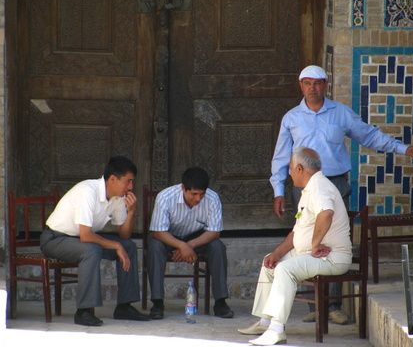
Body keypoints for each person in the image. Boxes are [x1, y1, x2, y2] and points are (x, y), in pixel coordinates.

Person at [270, 65, 413, 324]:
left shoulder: (341, 113)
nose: (313, 88)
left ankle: (333, 305)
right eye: (307, 83)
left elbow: (370, 136)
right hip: (304, 189)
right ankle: (314, 303)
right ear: (301, 86)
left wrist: (403, 148)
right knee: (304, 240)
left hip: (336, 185)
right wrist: (278, 191)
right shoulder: (291, 118)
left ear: (326, 84)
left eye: (318, 83)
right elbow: (280, 157)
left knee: (333, 241)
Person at [238, 147, 352, 345]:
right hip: (309, 255)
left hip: (332, 257)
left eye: (290, 168)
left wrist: (315, 244)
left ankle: (276, 329)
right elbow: (296, 232)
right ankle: (265, 322)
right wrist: (276, 253)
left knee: (285, 269)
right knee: (270, 264)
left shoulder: (320, 187)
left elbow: (326, 214)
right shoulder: (308, 189)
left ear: (300, 168)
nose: (289, 173)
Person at [40, 156, 149, 326]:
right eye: (128, 182)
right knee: (92, 250)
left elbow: (124, 235)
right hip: (55, 239)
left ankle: (124, 307)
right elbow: (86, 235)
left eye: (132, 182)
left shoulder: (118, 198)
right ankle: (84, 311)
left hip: (80, 239)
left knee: (128, 246)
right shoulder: (87, 191)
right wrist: (116, 245)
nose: (131, 187)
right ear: (112, 179)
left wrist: (132, 212)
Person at [147, 167, 234, 319]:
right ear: (183, 188)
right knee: (154, 245)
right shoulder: (165, 197)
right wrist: (181, 246)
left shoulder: (213, 199)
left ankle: (220, 302)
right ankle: (157, 302)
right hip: (169, 236)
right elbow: (158, 231)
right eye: (194, 194)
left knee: (218, 247)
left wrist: (189, 246)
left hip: (197, 237)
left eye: (202, 194)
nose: (198, 199)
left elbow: (214, 231)